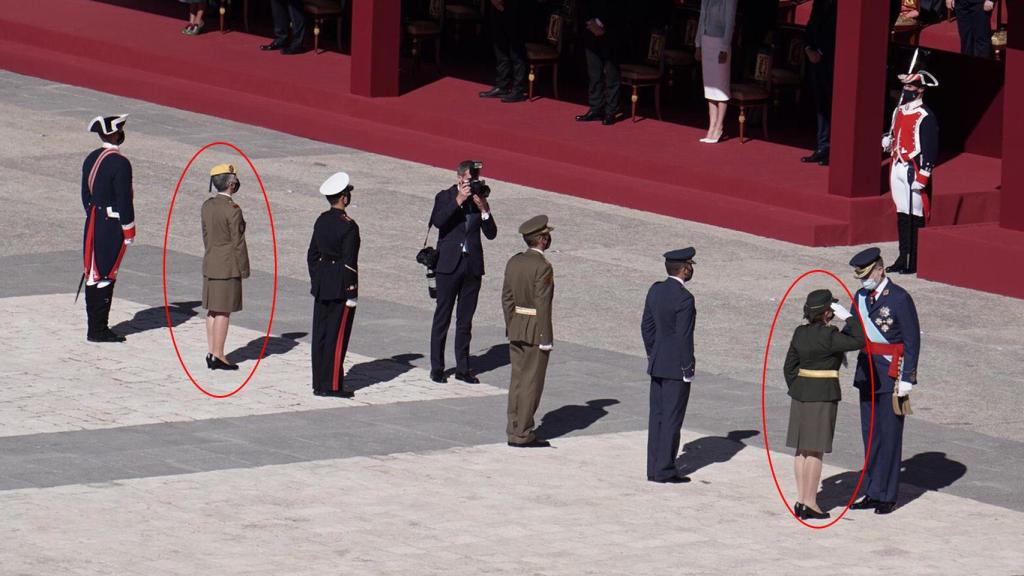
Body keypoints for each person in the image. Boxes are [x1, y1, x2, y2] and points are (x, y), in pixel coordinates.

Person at [846, 247, 921, 515]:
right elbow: (853, 330)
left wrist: (907, 378)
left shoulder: (899, 298)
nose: (863, 281)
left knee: (889, 435)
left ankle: (887, 495)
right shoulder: (860, 296)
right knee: (870, 434)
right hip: (867, 371)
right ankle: (872, 490)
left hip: (892, 372)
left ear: (880, 269)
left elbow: (912, 339)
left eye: (867, 274)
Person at [784, 289, 865, 520]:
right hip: (822, 394)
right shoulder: (829, 335)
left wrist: (799, 386)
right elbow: (859, 339)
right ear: (828, 313)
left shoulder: (800, 332)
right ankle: (810, 502)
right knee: (815, 451)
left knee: (801, 450)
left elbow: (789, 367)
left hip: (801, 394)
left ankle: (801, 499)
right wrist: (849, 317)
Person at [429, 161, 498, 384]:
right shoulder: (445, 196)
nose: (473, 184)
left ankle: (463, 367)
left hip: (472, 266)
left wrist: (484, 209)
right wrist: (458, 199)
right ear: (459, 178)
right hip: (448, 266)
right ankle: (437, 367)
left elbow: (491, 233)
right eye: (470, 179)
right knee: (443, 317)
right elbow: (438, 221)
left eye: (475, 180)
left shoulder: (479, 199)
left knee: (465, 320)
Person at [641, 248, 697, 484]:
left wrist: (653, 354)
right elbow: (684, 337)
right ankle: (665, 469)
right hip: (675, 366)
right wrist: (687, 367)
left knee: (657, 417)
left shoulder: (655, 290)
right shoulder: (685, 298)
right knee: (672, 418)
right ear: (684, 269)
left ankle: (653, 467)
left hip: (658, 362)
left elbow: (647, 327)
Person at [81, 114, 136, 343]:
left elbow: (86, 195)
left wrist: (93, 214)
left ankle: (95, 327)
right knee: (106, 273)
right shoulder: (120, 163)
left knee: (92, 272)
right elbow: (124, 199)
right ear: (115, 133)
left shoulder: (92, 157)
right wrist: (128, 229)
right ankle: (99, 330)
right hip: (111, 223)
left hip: (93, 220)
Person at [502, 215, 555, 448]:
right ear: (542, 240)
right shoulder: (543, 267)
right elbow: (543, 304)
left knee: (517, 381)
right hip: (535, 329)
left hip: (517, 326)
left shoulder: (514, 262)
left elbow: (507, 299)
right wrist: (545, 337)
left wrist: (512, 324)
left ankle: (513, 427)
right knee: (532, 382)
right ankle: (524, 433)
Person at [307, 172, 360, 398]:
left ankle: (319, 382)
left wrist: (318, 279)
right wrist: (352, 291)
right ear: (344, 198)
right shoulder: (349, 226)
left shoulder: (321, 220)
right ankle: (333, 385)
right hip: (340, 284)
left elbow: (312, 255)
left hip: (322, 284)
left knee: (320, 334)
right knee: (336, 337)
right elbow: (350, 262)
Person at [883, 70, 939, 275]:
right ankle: (902, 255)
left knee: (915, 215)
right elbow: (894, 133)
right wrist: (887, 141)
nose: (906, 90)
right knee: (901, 212)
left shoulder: (925, 115)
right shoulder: (899, 110)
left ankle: (914, 259)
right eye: (905, 87)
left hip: (913, 169)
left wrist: (924, 175)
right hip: (897, 165)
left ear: (921, 91)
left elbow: (930, 147)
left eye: (911, 87)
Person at [201, 164, 250, 371]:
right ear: (231, 183)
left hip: (211, 260)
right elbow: (238, 242)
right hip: (228, 265)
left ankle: (212, 351)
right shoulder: (233, 210)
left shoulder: (207, 206)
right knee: (223, 312)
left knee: (213, 311)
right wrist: (244, 268)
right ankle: (219, 355)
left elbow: (205, 235)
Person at [694, 0, 738, 144]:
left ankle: (719, 126)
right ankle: (711, 126)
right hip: (707, 42)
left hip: (720, 43)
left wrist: (725, 47)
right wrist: (698, 44)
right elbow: (702, 20)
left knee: (721, 87)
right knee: (710, 87)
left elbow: (730, 23)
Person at [575, 0, 622, 125]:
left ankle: (611, 111)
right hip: (590, 30)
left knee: (612, 73)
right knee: (594, 73)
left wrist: (601, 23)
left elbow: (618, 6)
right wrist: (590, 22)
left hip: (611, 30)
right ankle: (595, 108)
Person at [801, 0, 836, 166]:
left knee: (833, 104)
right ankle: (823, 146)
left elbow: (839, 31)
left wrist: (821, 52)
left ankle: (835, 150)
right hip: (814, 59)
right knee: (820, 104)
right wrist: (808, 47)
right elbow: (811, 24)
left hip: (832, 60)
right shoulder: (819, 2)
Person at [478, 0, 528, 103]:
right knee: (500, 48)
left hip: (515, 7)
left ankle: (518, 90)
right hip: (495, 7)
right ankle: (502, 86)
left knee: (516, 50)